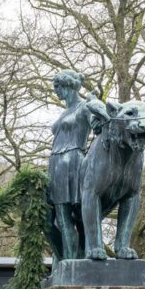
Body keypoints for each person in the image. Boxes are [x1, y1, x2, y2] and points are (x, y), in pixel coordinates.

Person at [47, 69, 107, 261]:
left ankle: (81, 257)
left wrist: (97, 114)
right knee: (59, 218)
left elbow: (98, 124)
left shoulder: (85, 107)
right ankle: (66, 262)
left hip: (74, 162)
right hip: (56, 164)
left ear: (70, 85)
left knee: (80, 214)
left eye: (58, 86)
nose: (56, 90)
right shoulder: (64, 112)